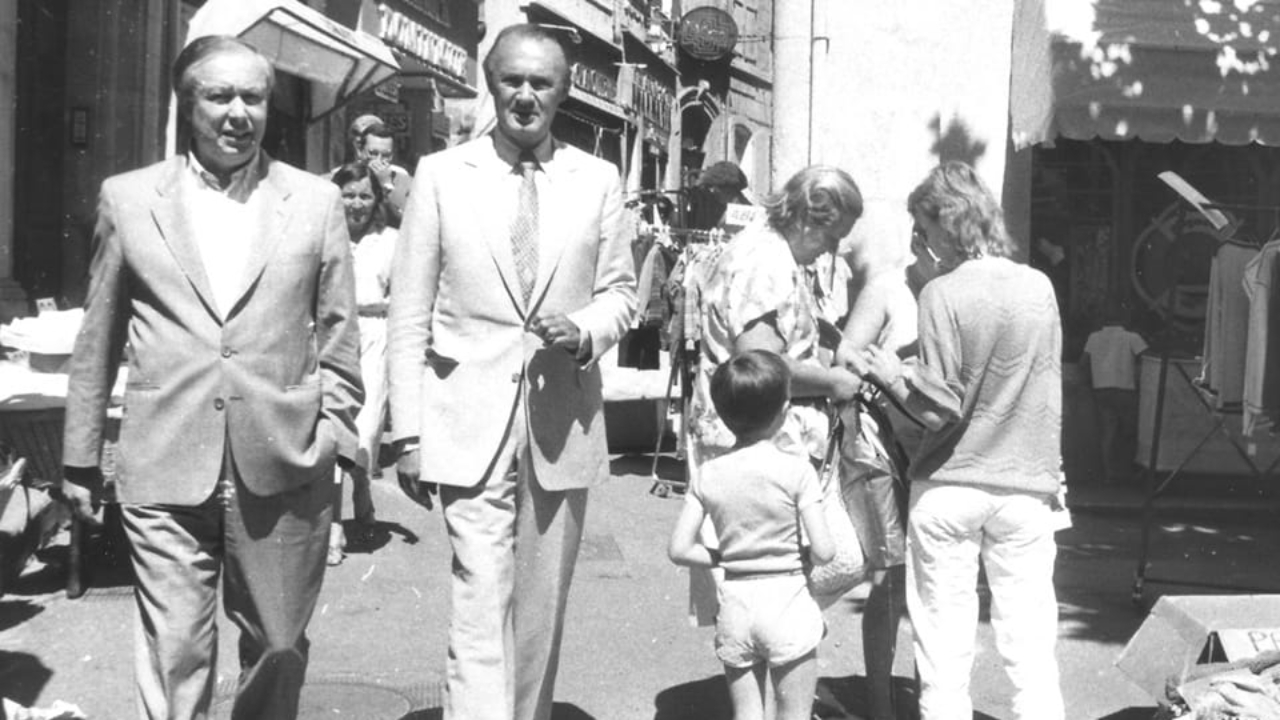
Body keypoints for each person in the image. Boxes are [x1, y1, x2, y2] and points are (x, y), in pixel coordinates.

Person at [58, 36, 363, 720]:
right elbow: (97, 336)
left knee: (280, 647)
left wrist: (334, 438)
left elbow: (343, 338)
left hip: (284, 464)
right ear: (186, 104)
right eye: (218, 96)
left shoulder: (315, 202)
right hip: (165, 459)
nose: (237, 112)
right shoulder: (129, 199)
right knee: (176, 656)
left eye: (252, 96)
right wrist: (79, 458)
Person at [386, 24, 636, 720]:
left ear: (564, 92)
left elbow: (622, 294)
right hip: (465, 419)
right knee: (478, 596)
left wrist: (583, 328)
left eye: (542, 83)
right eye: (512, 81)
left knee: (540, 608)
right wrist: (406, 432)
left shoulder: (598, 180)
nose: (526, 96)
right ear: (491, 84)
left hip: (562, 421)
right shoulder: (441, 175)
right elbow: (410, 313)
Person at [856, 161, 1065, 720]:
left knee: (944, 653)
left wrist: (890, 374)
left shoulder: (941, 293)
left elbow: (939, 405)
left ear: (949, 222)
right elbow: (1047, 388)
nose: (921, 243)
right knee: (1030, 651)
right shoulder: (1039, 287)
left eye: (924, 229)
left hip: (949, 485)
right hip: (1026, 485)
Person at [668, 349, 836, 720]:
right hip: (787, 598)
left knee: (746, 714)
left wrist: (721, 556)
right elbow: (824, 551)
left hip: (736, 604)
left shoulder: (708, 474)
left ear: (724, 414)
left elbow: (679, 549)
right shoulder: (797, 471)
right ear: (784, 410)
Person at [832, 243, 919, 720]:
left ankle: (932, 698)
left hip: (932, 440)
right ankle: (880, 706)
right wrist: (890, 361)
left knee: (934, 576)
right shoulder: (889, 287)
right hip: (879, 437)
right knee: (889, 574)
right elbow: (845, 358)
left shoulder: (959, 286)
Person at [326, 161, 398, 566]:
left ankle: (362, 489)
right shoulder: (323, 235)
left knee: (366, 431)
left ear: (376, 201)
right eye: (348, 193)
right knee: (335, 431)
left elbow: (406, 295)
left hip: (375, 335)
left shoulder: (390, 241)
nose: (355, 203)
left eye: (364, 195)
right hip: (331, 337)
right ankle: (333, 525)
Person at [1081, 306, 1148, 485]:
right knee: (1130, 432)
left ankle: (1109, 473)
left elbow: (1084, 363)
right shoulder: (1132, 337)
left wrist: (1090, 382)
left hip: (1101, 389)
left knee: (1108, 432)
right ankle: (1128, 471)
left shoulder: (1093, 337)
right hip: (1126, 389)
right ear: (1125, 320)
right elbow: (1146, 358)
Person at [330, 115, 411, 226]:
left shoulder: (401, 177)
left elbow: (407, 221)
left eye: (386, 155)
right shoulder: (340, 174)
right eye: (373, 153)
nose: (379, 160)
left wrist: (386, 186)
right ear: (360, 150)